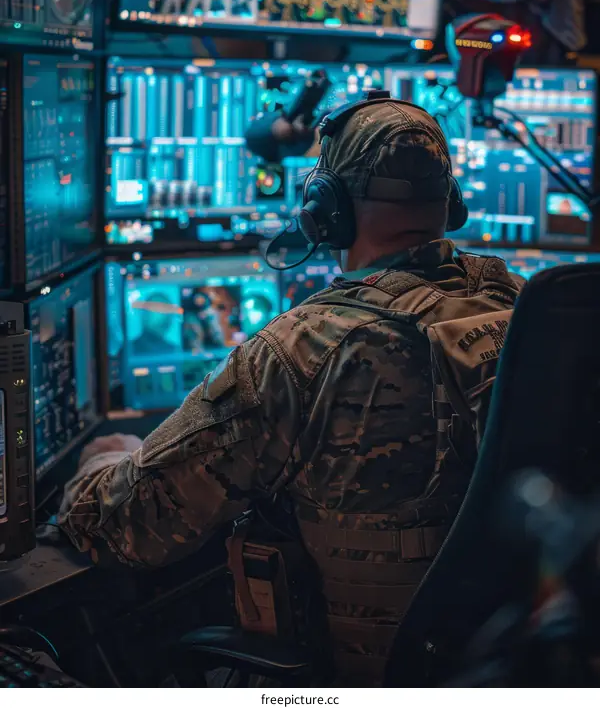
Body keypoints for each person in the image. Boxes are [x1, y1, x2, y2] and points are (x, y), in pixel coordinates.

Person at [59, 99, 523, 686]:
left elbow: (122, 526)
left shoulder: (299, 351)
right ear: (450, 203)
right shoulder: (526, 306)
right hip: (505, 664)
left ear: (325, 210)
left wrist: (100, 460)